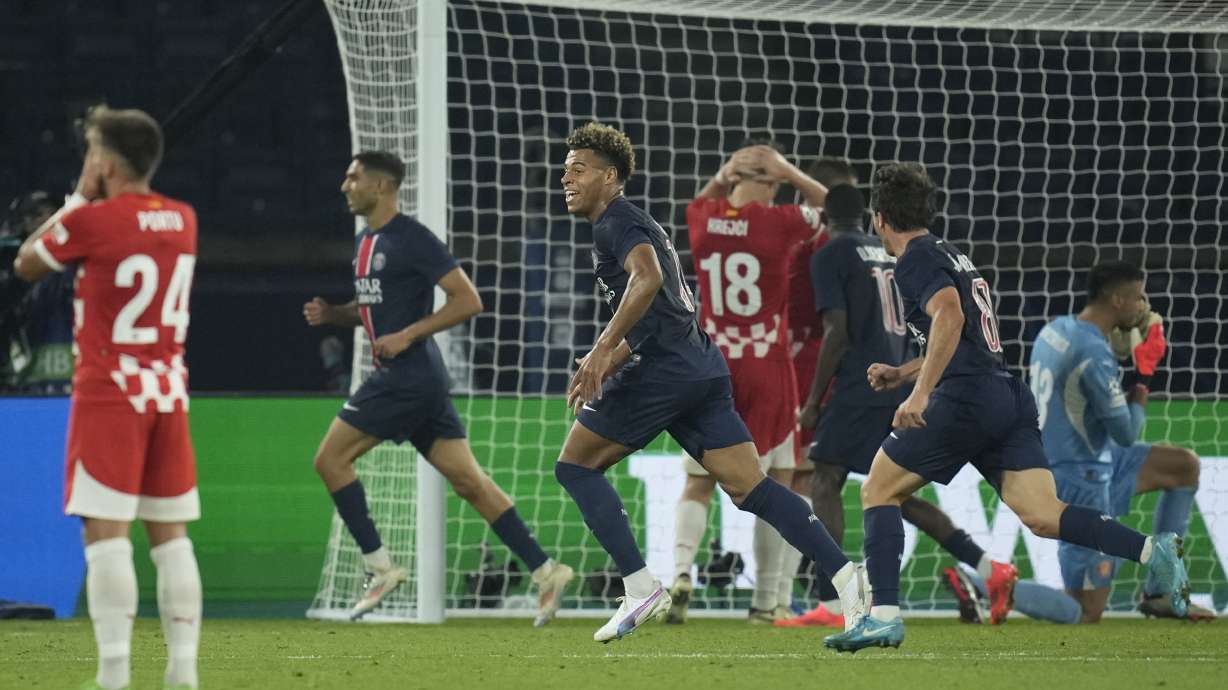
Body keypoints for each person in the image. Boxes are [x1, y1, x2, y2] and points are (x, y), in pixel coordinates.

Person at [823, 162, 1190, 653]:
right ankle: (1153, 550)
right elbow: (960, 335)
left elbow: (949, 317)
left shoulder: (913, 259)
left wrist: (920, 392)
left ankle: (883, 616)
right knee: (1043, 513)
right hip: (1003, 394)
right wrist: (902, 372)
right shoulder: (952, 254)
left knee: (878, 489)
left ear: (880, 217)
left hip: (964, 399)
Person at [555, 122, 865, 644]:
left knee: (575, 467)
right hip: (702, 366)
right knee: (754, 489)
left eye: (578, 170)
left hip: (665, 374)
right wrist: (612, 353)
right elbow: (671, 307)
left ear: (610, 177)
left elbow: (647, 278)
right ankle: (846, 578)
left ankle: (640, 585)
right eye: (565, 170)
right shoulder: (643, 223)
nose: (566, 178)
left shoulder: (617, 224)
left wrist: (605, 349)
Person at [303, 151, 573, 625]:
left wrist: (408, 334)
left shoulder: (413, 238)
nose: (345, 185)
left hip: (405, 376)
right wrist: (336, 314)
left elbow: (469, 300)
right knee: (471, 483)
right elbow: (373, 308)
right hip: (419, 381)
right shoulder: (365, 241)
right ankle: (547, 570)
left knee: (329, 459)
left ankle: (379, 566)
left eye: (354, 177)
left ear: (382, 186)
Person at [14, 106, 202, 690]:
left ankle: (114, 676)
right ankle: (183, 674)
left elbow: (26, 264)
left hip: (109, 394)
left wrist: (77, 196)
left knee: (106, 536)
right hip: (168, 393)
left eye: (92, 150)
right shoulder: (183, 219)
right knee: (170, 538)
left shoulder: (93, 221)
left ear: (106, 161)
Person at [785, 183, 1018, 628]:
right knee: (897, 492)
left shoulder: (831, 255)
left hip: (859, 384)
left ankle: (831, 603)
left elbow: (836, 331)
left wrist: (814, 400)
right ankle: (990, 568)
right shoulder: (884, 250)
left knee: (825, 477)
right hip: (896, 377)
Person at [669, 141, 828, 625]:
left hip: (713, 364)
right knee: (779, 482)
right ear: (771, 183)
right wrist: (789, 171)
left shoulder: (704, 217)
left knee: (697, 481)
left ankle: (679, 573)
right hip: (768, 365)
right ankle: (766, 602)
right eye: (775, 180)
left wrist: (726, 173)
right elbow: (832, 206)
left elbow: (701, 200)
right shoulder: (779, 223)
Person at [1029, 260, 1213, 622]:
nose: (1144, 306)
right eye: (1139, 297)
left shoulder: (1056, 329)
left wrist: (1116, 355)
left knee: (1184, 467)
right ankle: (989, 582)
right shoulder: (1094, 354)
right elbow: (1128, 433)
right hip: (1082, 480)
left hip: (1092, 456)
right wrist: (1143, 375)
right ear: (1117, 300)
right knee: (1086, 612)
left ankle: (1160, 593)